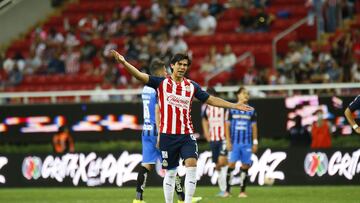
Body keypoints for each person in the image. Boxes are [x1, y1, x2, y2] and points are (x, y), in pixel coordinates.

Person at [111, 50, 253, 203]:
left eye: (185, 65)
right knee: (171, 173)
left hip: (186, 135)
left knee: (192, 165)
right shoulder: (161, 83)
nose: (183, 67)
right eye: (180, 64)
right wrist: (124, 63)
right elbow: (140, 75)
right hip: (167, 135)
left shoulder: (191, 86)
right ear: (172, 65)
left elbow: (211, 99)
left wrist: (233, 105)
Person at [133, 59, 200, 203]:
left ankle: (138, 198)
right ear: (159, 72)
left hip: (146, 130)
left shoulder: (145, 88)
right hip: (160, 130)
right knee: (172, 165)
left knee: (147, 164)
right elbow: (158, 110)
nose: (166, 73)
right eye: (164, 70)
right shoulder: (160, 87)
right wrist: (160, 132)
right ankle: (182, 198)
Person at [224, 87, 258, 198]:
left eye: (247, 93)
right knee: (231, 164)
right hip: (234, 143)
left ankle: (242, 192)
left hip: (247, 143)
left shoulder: (251, 110)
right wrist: (228, 141)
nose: (246, 95)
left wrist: (255, 142)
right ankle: (227, 191)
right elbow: (227, 125)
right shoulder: (231, 109)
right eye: (243, 93)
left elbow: (254, 127)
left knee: (245, 165)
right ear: (238, 95)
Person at [201, 87, 228, 196]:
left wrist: (227, 135)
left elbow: (227, 121)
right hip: (213, 139)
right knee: (217, 164)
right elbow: (204, 120)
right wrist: (206, 133)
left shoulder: (222, 106)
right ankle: (223, 189)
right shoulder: (205, 107)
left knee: (222, 162)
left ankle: (226, 189)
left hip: (223, 139)